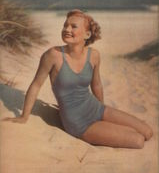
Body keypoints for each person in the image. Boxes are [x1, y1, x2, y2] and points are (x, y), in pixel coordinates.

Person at [2, 9, 153, 149]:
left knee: (147, 132)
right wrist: (23, 116)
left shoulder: (93, 55)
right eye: (65, 26)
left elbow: (97, 85)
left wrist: (102, 112)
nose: (67, 29)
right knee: (138, 141)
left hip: (95, 108)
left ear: (87, 35)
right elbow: (35, 86)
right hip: (78, 122)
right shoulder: (53, 55)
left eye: (73, 26)